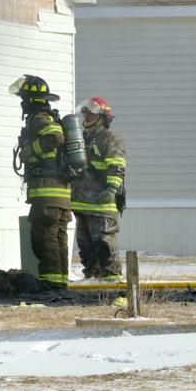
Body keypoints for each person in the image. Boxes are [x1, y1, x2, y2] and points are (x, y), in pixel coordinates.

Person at [10, 74, 70, 286]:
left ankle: (50, 284)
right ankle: (60, 283)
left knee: (44, 239)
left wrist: (31, 150)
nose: (22, 103)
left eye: (23, 98)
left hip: (47, 192)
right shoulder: (51, 117)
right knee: (58, 238)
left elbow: (56, 138)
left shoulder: (38, 118)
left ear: (31, 100)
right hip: (61, 194)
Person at [71, 97, 126, 280]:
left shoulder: (110, 138)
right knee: (86, 249)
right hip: (81, 204)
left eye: (91, 114)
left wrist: (111, 189)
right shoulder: (81, 138)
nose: (86, 118)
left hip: (102, 204)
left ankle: (112, 283)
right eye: (85, 114)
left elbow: (117, 165)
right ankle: (92, 283)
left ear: (102, 118)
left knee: (104, 245)